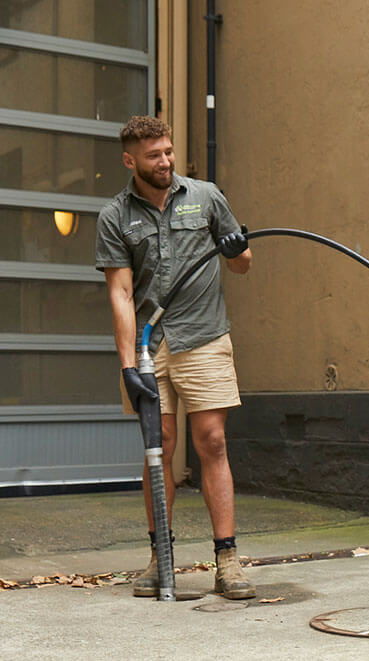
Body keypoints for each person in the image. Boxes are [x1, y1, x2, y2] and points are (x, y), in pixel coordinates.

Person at [95, 116, 256, 599]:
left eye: (167, 151)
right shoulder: (116, 216)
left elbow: (242, 264)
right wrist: (128, 365)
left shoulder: (206, 197)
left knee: (212, 442)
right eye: (153, 155)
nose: (164, 161)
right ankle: (158, 557)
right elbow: (121, 294)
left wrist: (237, 248)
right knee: (157, 447)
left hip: (204, 338)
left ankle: (227, 560)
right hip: (150, 345)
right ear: (130, 161)